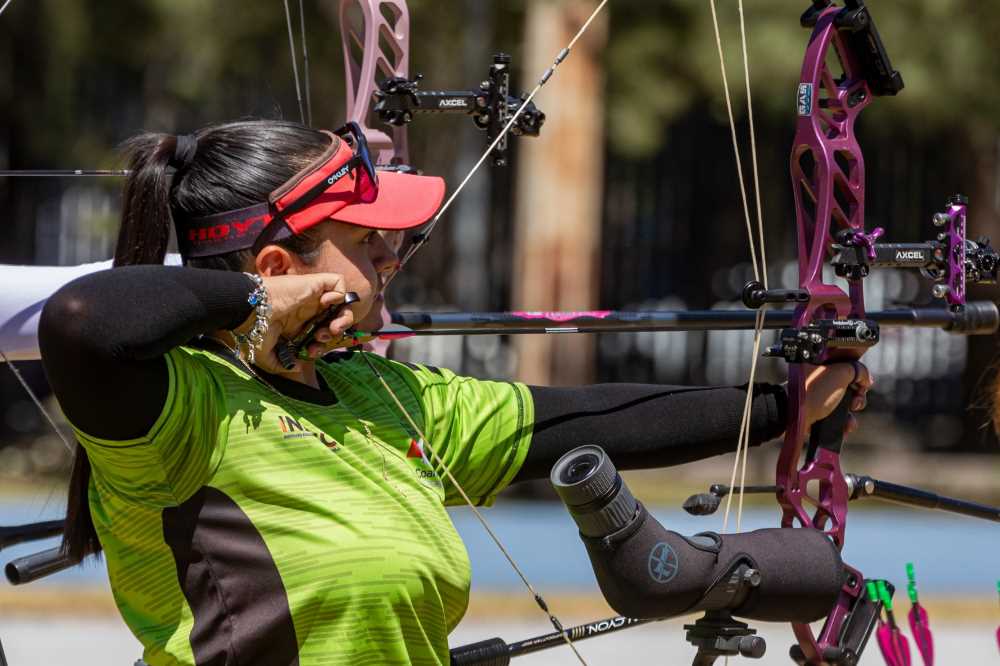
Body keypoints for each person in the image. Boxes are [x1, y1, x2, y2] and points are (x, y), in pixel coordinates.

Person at [38, 119, 871, 666]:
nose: (392, 261)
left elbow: (582, 421)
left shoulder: (376, 392)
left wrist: (789, 402)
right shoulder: (177, 407)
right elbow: (84, 320)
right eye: (368, 244)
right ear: (277, 267)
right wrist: (256, 307)